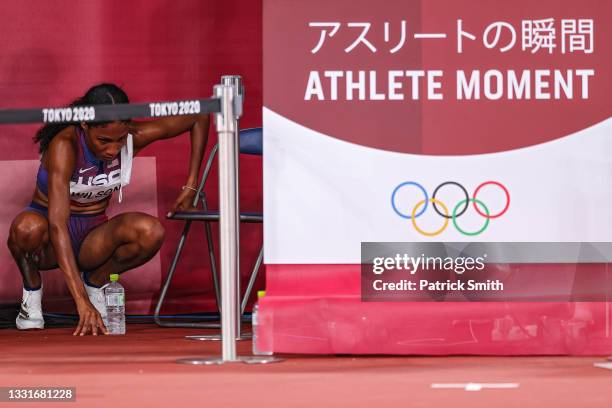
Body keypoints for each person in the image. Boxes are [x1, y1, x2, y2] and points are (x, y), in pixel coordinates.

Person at [7, 83, 209, 336]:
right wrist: (81, 303)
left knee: (151, 231)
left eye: (120, 140)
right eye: (103, 140)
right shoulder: (65, 145)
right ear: (84, 125)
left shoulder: (133, 137)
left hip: (92, 235)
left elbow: (199, 115)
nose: (113, 149)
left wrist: (191, 185)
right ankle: (32, 294)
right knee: (26, 227)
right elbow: (58, 224)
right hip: (47, 234)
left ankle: (96, 281)